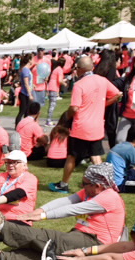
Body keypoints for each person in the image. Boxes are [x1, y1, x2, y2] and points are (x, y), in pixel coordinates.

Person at [0, 163, 126, 260]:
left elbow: (73, 209)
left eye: (85, 183)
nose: (82, 186)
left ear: (98, 185)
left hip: (96, 243)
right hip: (82, 235)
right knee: (46, 250)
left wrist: (43, 216)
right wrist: (40, 210)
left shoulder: (109, 197)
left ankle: (1, 227)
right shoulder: (91, 191)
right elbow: (67, 201)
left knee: (50, 238)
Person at [49, 57, 122, 194]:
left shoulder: (79, 84)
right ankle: (105, 185)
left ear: (80, 69)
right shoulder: (102, 80)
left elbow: (74, 107)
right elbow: (117, 94)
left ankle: (64, 184)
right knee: (96, 156)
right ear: (92, 67)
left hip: (80, 127)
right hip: (97, 126)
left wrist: (67, 116)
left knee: (72, 156)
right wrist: (104, 104)